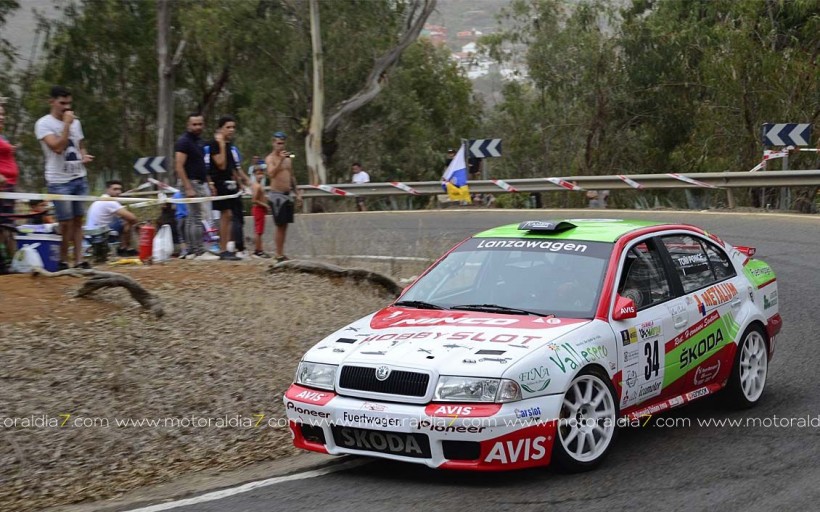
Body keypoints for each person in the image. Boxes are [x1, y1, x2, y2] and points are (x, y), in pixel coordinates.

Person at [35, 85, 94, 270]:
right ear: (51, 102)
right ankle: (62, 259)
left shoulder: (76, 122)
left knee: (78, 220)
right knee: (65, 222)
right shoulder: (43, 124)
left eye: (69, 103)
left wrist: (83, 155)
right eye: (62, 103)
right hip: (59, 180)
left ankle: (79, 260)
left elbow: (80, 143)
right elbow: (58, 147)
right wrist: (67, 124)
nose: (66, 107)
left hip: (79, 176)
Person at [174, 113, 218, 260]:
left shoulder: (199, 142)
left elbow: (202, 165)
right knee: (196, 217)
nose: (198, 127)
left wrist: (209, 182)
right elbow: (179, 166)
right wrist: (188, 187)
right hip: (190, 183)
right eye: (194, 124)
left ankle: (192, 251)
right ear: (188, 125)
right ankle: (198, 251)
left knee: (192, 217)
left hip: (200, 182)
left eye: (200, 124)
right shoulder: (184, 142)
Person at [207, 115, 241, 261]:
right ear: (220, 129)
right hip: (218, 183)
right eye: (228, 127)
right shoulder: (215, 144)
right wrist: (220, 144)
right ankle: (222, 249)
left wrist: (244, 182)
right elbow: (220, 164)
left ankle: (226, 248)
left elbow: (233, 168)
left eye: (233, 127)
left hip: (229, 183)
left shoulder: (229, 146)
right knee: (225, 214)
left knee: (229, 215)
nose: (231, 130)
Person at [265, 131, 301, 262]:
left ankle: (281, 252)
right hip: (276, 195)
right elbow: (271, 174)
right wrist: (279, 160)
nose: (280, 146)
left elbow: (292, 176)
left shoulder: (289, 158)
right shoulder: (270, 158)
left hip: (287, 194)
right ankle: (278, 254)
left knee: (285, 225)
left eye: (283, 143)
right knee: (280, 225)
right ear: (273, 143)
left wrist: (297, 193)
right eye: (278, 143)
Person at [84, 180, 138, 255]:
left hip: (89, 235)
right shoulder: (110, 202)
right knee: (127, 221)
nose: (118, 192)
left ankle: (122, 247)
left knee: (122, 219)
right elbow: (132, 218)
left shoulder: (100, 199)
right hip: (99, 234)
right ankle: (125, 248)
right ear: (107, 190)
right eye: (115, 189)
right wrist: (137, 226)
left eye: (120, 189)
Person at [0, 103, 20, 217]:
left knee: (7, 227)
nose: (1, 117)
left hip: (9, 186)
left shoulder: (2, 136)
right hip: (2, 186)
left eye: (3, 114)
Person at [250, 164, 271, 258]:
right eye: (258, 173)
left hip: (261, 210)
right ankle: (258, 251)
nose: (260, 175)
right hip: (258, 209)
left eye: (261, 173)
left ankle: (260, 249)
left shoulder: (259, 185)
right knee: (258, 231)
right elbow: (254, 200)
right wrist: (265, 205)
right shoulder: (256, 186)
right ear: (254, 174)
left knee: (259, 231)